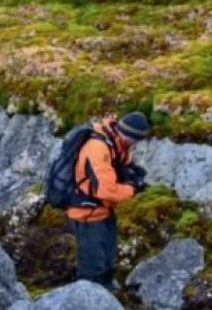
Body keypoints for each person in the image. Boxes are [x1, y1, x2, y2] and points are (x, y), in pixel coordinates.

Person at [66, 111, 150, 290]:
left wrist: (132, 174)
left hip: (103, 212)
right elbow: (106, 191)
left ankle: (106, 294)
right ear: (129, 136)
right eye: (135, 141)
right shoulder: (98, 148)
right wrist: (133, 189)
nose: (135, 146)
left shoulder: (116, 142)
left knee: (107, 264)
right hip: (86, 215)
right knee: (93, 270)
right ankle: (87, 300)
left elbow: (123, 165)